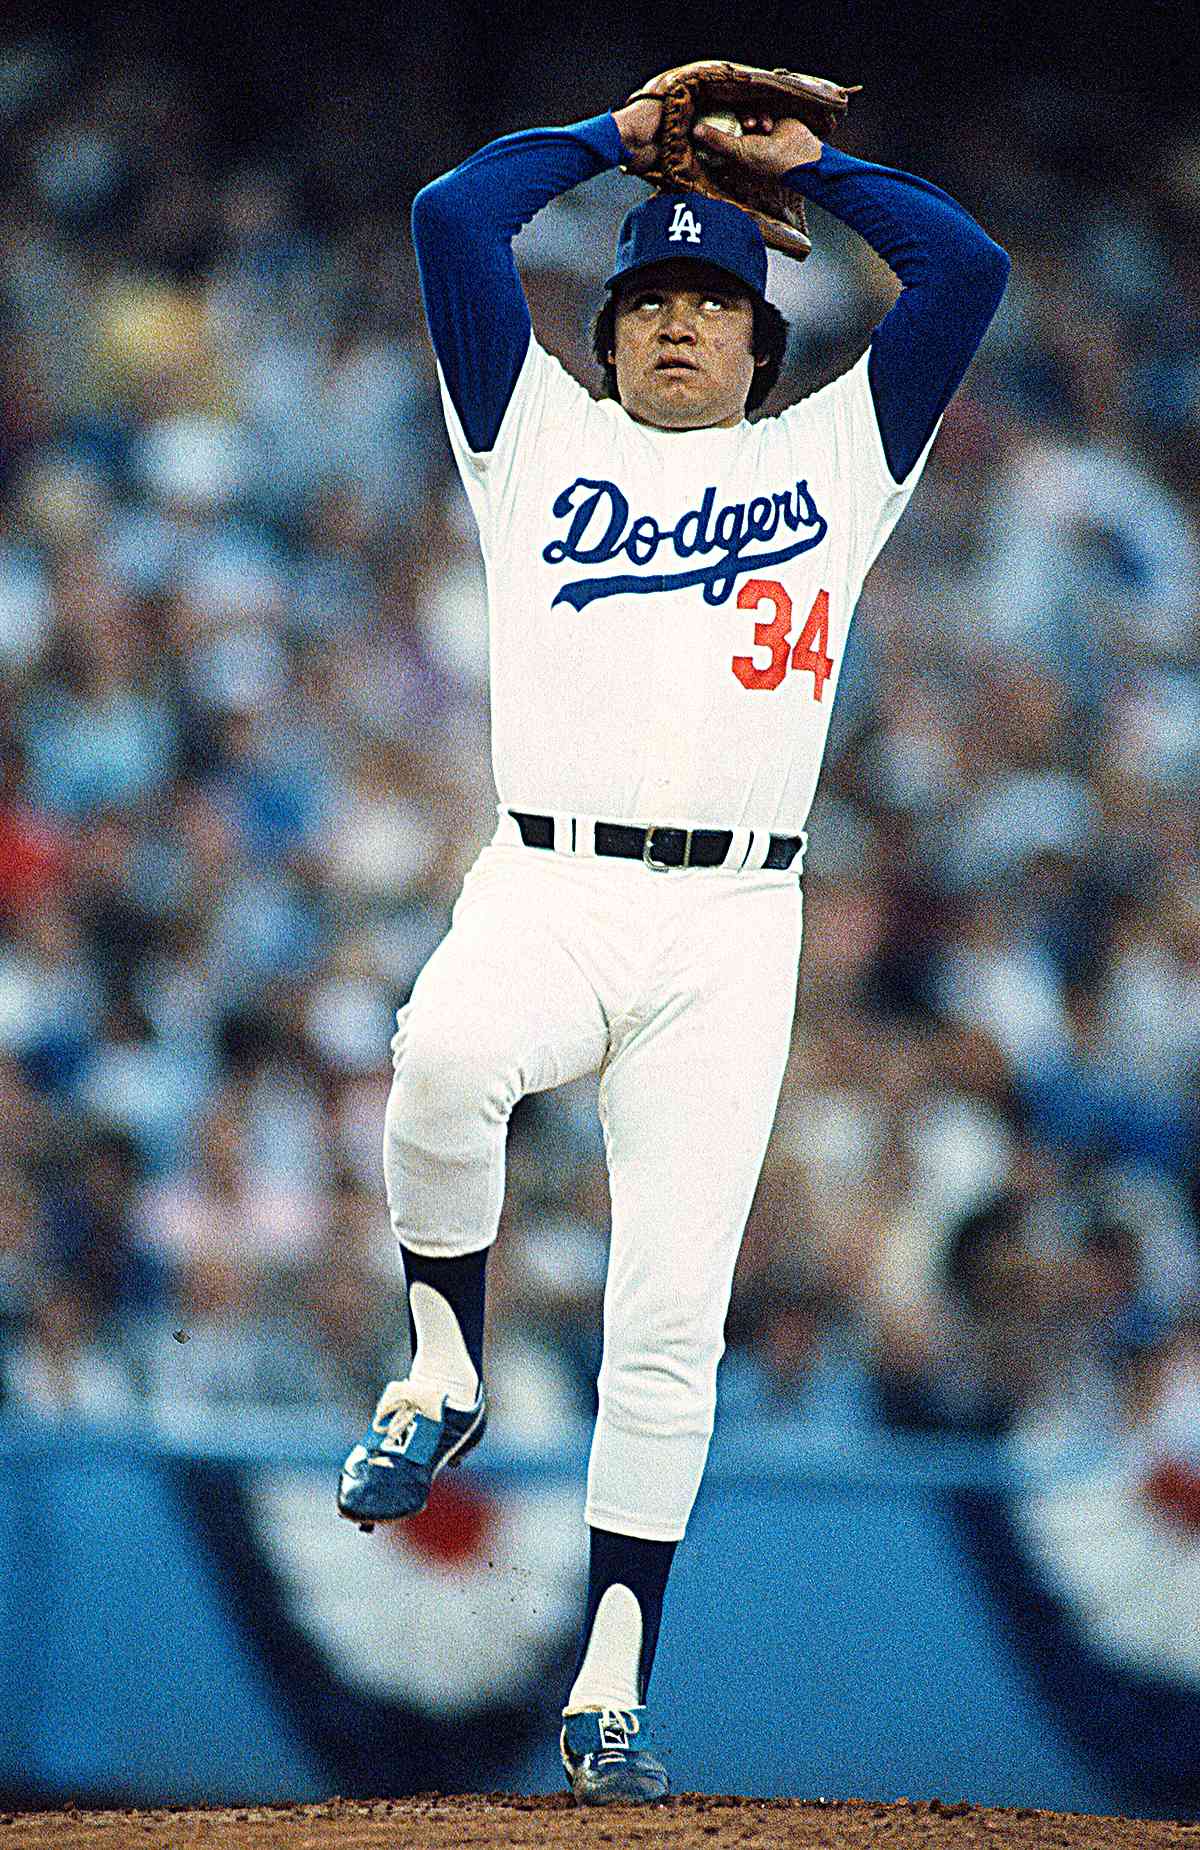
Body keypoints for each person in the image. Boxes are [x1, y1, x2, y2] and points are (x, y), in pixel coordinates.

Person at [337, 70, 1009, 1805]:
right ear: (609, 331)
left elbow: (967, 275)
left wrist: (823, 169)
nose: (682, 328)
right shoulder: (528, 433)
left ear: (760, 342)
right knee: (441, 1061)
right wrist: (608, 146)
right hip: (550, 882)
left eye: (714, 302)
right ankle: (443, 1354)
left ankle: (617, 1665)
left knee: (667, 1309)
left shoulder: (836, 460)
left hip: (732, 920)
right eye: (649, 302)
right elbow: (447, 222)